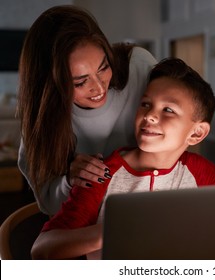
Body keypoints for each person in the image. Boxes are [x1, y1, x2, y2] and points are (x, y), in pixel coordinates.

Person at [30, 57, 215, 259]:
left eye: (168, 110)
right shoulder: (102, 174)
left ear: (197, 133)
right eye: (146, 104)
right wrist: (113, 231)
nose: (150, 116)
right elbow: (42, 249)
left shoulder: (200, 171)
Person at [17, 5, 157, 215]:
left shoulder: (138, 66)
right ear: (50, 85)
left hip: (151, 205)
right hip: (86, 223)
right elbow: (48, 205)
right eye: (80, 82)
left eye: (103, 67)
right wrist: (69, 182)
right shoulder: (40, 121)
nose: (100, 88)